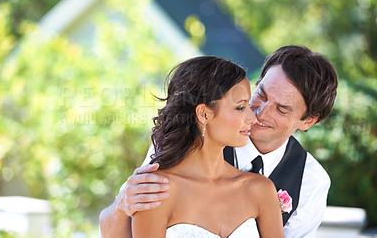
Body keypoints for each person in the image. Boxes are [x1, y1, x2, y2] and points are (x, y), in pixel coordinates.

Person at [99, 45, 338, 238]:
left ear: (308, 121)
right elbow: (120, 226)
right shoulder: (171, 154)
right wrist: (121, 205)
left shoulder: (310, 182)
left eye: (282, 109)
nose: (258, 114)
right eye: (261, 95)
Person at [133, 56, 283, 237]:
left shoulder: (260, 189)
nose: (253, 118)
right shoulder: (157, 191)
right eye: (240, 107)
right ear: (203, 114)